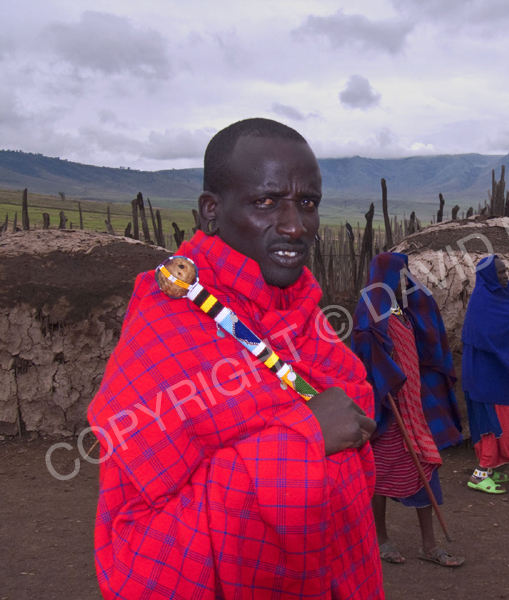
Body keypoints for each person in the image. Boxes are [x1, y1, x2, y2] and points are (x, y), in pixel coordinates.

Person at [87, 119, 384, 599]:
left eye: (308, 203)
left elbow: (350, 410)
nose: (295, 225)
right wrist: (306, 437)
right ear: (212, 210)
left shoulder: (301, 311)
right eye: (266, 201)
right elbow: (146, 528)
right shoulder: (169, 329)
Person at [351, 252, 464, 568]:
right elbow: (364, 355)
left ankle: (429, 545)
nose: (405, 281)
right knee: (379, 475)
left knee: (425, 468)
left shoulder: (405, 310)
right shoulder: (369, 312)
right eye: (398, 275)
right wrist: (385, 381)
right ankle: (381, 538)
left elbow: (427, 334)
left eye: (406, 275)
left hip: (414, 408)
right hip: (389, 409)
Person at [461, 255, 509, 494]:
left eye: (506, 271)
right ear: (489, 276)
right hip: (483, 370)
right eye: (500, 272)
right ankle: (480, 473)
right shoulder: (482, 302)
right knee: (491, 418)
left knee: (500, 413)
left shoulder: (500, 296)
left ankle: (491, 467)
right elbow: (486, 335)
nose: (505, 276)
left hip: (496, 367)